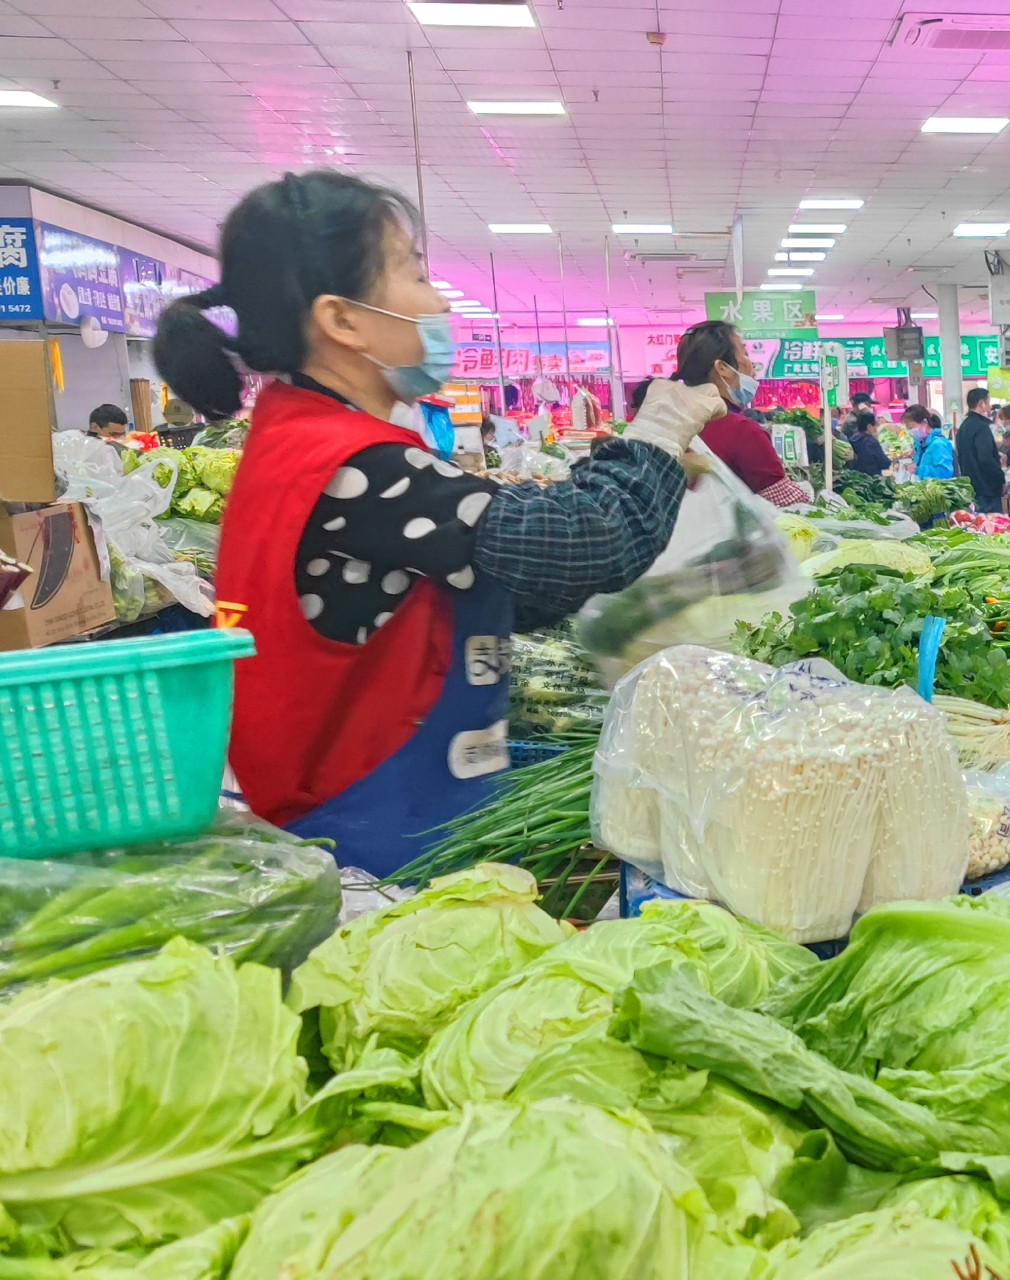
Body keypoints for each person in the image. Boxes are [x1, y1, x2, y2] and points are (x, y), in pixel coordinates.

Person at [154, 170, 704, 874]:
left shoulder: (306, 440)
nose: (438, 300)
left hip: (389, 821)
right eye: (415, 274)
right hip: (369, 847)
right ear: (342, 319)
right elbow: (582, 540)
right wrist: (655, 434)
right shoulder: (351, 467)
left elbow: (495, 578)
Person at [672, 321, 809, 508]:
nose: (752, 365)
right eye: (745, 353)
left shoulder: (670, 425)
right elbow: (789, 505)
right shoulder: (741, 432)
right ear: (722, 368)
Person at [956, 387, 1004, 512]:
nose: (989, 407)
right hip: (987, 489)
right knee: (992, 526)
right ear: (981, 403)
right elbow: (985, 458)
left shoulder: (963, 427)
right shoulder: (982, 427)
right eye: (988, 403)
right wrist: (1001, 477)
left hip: (970, 487)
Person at [909, 405, 956, 479]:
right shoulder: (921, 444)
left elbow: (944, 473)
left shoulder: (939, 444)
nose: (910, 431)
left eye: (911, 427)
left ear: (925, 422)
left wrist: (918, 470)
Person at [847, 411, 890, 476]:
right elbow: (884, 463)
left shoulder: (852, 439)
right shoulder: (871, 442)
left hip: (856, 478)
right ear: (869, 427)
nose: (877, 429)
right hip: (872, 480)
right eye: (876, 426)